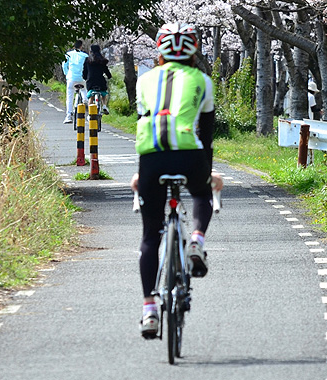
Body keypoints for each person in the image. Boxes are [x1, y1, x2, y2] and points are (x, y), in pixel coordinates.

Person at [130, 22, 224, 338]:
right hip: (189, 154)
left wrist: (141, 174)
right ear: (193, 50)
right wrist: (207, 171)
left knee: (149, 237)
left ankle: (149, 310)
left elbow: (147, 124)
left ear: (159, 50)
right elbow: (206, 134)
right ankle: (196, 239)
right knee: (200, 193)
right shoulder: (203, 80)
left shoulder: (145, 80)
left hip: (152, 159)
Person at [62, 40, 89, 124]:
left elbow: (64, 65)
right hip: (82, 78)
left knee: (69, 97)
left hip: (71, 78)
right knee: (84, 90)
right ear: (81, 46)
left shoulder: (68, 54)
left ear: (74, 46)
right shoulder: (85, 56)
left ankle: (68, 116)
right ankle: (85, 100)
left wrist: (67, 74)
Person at [82, 44, 113, 115]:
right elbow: (106, 70)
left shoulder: (88, 60)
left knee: (91, 97)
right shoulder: (102, 60)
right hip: (100, 81)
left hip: (91, 81)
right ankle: (104, 106)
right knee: (103, 94)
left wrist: (85, 77)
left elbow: (85, 71)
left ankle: (90, 113)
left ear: (91, 51)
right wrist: (109, 76)